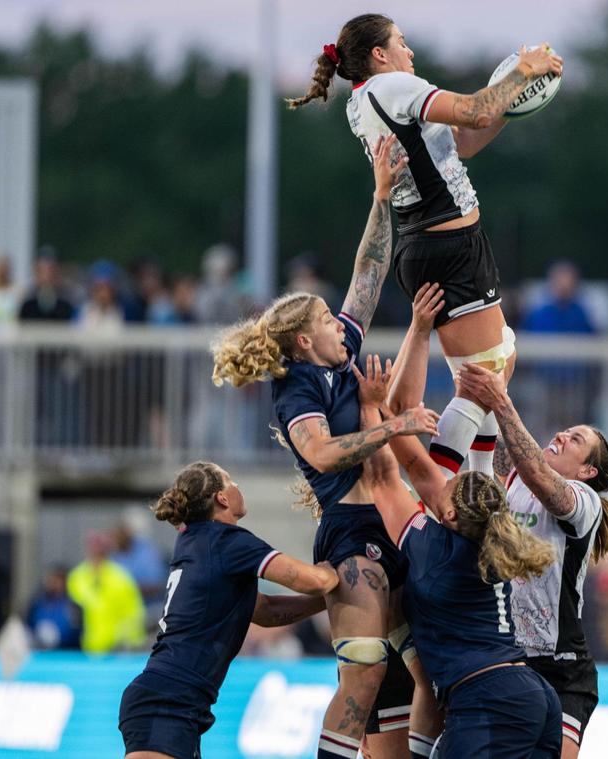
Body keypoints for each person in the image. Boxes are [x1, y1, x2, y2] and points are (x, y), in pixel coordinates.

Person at [212, 135, 441, 759]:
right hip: (351, 531)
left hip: (397, 526)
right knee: (363, 676)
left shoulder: (336, 357)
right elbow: (319, 454)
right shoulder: (297, 388)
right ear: (304, 342)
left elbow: (367, 274)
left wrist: (381, 197)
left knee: (429, 678)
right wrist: (392, 426)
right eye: (325, 321)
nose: (341, 326)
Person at [289, 13, 564, 484]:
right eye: (401, 42)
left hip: (436, 243)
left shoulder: (366, 99)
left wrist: (511, 101)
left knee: (491, 368)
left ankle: (480, 489)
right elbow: (476, 109)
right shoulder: (391, 87)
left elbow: (465, 140)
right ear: (380, 55)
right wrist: (524, 69)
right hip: (447, 244)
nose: (409, 51)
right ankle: (442, 493)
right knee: (488, 374)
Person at [388, 288, 608, 758]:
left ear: (588, 471)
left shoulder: (583, 501)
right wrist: (490, 367)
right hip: (504, 655)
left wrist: (499, 397)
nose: (562, 433)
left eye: (576, 439)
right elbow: (471, 461)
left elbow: (539, 477)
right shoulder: (511, 478)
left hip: (559, 667)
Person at [353, 357, 561, 758]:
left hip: (489, 702)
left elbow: (383, 479)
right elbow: (419, 469)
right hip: (534, 698)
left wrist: (371, 407)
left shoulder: (434, 551)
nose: (436, 488)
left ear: (448, 515)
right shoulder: (498, 542)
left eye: (445, 492)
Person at [118, 461, 338, 759]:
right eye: (231, 481)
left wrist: (326, 600)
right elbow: (315, 580)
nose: (237, 487)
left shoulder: (194, 540)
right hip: (168, 700)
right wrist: (350, 565)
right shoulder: (227, 541)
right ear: (221, 498)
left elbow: (264, 611)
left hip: (173, 698)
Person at [67, 530, 145, 654]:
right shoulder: (77, 577)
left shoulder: (121, 578)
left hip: (115, 648)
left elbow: (134, 613)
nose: (96, 553)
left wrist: (130, 643)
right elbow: (72, 614)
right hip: (85, 648)